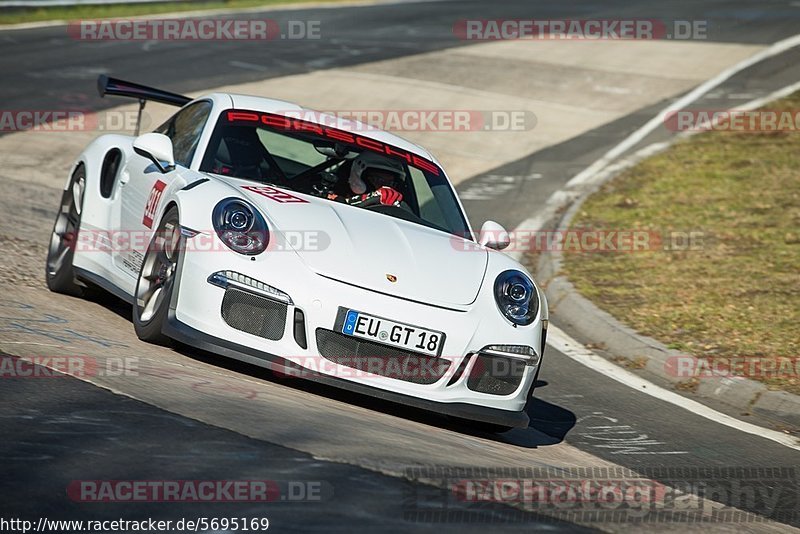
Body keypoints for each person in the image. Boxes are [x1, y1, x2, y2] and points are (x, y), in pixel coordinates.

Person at [327, 151, 405, 207]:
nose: (384, 187)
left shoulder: (398, 207)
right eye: (378, 180)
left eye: (390, 183)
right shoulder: (331, 199)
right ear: (360, 176)